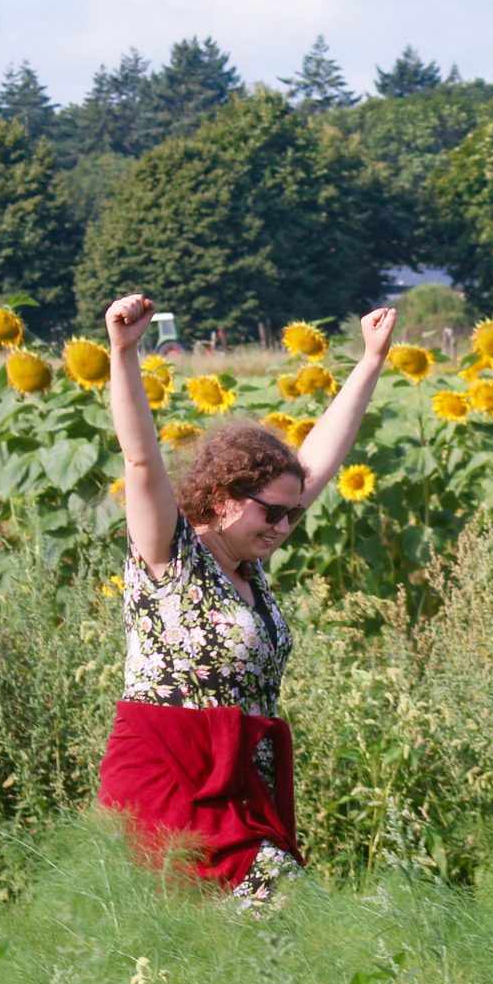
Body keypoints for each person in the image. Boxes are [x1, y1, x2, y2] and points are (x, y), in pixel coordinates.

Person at [93, 292, 397, 907]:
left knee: (254, 938)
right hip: (167, 772)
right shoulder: (170, 555)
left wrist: (370, 362)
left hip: (235, 777)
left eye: (293, 514)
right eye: (273, 513)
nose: (286, 526)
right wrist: (123, 353)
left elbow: (320, 462)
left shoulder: (250, 567)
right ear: (226, 497)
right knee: (276, 911)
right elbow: (142, 462)